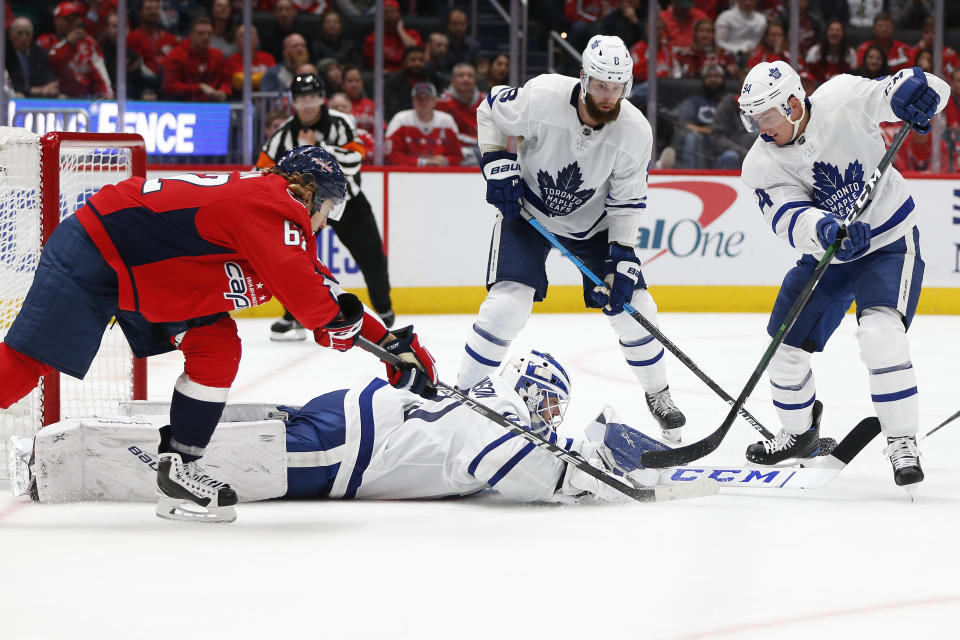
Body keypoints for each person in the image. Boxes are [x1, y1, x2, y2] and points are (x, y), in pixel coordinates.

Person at [0, 145, 438, 522]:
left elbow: (317, 284)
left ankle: (179, 468)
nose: (327, 221)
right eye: (330, 208)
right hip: (98, 252)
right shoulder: (276, 205)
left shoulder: (270, 206)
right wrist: (340, 325)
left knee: (217, 346)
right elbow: (310, 300)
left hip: (149, 268)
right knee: (27, 364)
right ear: (310, 192)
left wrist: (389, 345)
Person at [13, 350, 652, 505]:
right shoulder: (497, 420)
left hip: (350, 409)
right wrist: (591, 468)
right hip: (347, 451)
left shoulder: (482, 399)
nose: (547, 419)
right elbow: (515, 469)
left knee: (214, 430)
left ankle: (79, 435)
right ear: (528, 393)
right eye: (546, 406)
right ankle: (58, 464)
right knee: (221, 460)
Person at [457, 34, 687, 443]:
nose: (608, 95)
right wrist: (495, 162)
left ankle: (659, 393)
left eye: (617, 87)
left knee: (636, 307)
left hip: (593, 226)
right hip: (527, 212)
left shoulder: (635, 131)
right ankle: (461, 399)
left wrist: (623, 255)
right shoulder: (543, 96)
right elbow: (488, 109)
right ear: (583, 78)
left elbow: (628, 200)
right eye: (600, 85)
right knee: (507, 304)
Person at [737, 60, 949, 489]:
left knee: (880, 336)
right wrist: (823, 229)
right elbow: (786, 216)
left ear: (794, 104)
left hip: (889, 243)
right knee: (783, 347)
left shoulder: (842, 96)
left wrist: (919, 91)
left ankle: (902, 441)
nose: (761, 128)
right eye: (753, 119)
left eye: (768, 116)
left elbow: (919, 88)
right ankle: (798, 434)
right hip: (828, 257)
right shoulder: (761, 164)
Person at [258, 74, 396, 334]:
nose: (308, 103)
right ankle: (293, 315)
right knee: (294, 259)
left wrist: (316, 147)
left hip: (347, 202)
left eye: (312, 97)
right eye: (302, 98)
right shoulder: (283, 133)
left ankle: (383, 309)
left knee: (372, 257)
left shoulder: (341, 122)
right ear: (294, 101)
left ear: (322, 98)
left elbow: (355, 159)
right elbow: (262, 169)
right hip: (304, 206)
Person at [37, 1, 113, 99]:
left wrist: (106, 92)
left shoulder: (88, 43)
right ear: (56, 21)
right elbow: (50, 68)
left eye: (75, 19)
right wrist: (67, 44)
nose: (72, 23)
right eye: (67, 19)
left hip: (86, 97)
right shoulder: (45, 41)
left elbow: (100, 71)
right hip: (56, 96)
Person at [385, 82, 462, 167]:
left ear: (435, 101)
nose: (423, 102)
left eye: (427, 98)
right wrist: (423, 163)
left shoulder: (447, 121)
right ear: (413, 101)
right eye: (419, 99)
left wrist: (445, 161)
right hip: (408, 175)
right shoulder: (400, 120)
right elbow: (392, 155)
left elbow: (457, 155)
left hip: (441, 175)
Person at [161, 16, 230, 101]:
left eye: (209, 34)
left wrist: (223, 91)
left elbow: (226, 80)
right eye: (201, 33)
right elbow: (169, 87)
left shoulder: (217, 55)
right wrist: (199, 87)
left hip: (212, 104)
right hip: (184, 104)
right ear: (191, 35)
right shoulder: (176, 56)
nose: (206, 37)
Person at [671, 64, 726, 168]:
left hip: (721, 143)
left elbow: (733, 129)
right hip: (699, 141)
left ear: (723, 80)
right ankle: (690, 177)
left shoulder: (728, 103)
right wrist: (705, 131)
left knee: (731, 154)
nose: (713, 79)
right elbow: (684, 125)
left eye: (717, 76)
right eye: (709, 76)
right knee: (692, 138)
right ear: (703, 80)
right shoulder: (693, 101)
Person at [436, 61, 485, 165]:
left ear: (475, 80)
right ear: (453, 81)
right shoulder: (441, 103)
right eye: (461, 76)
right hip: (454, 152)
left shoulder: (487, 102)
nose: (466, 79)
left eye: (469, 76)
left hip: (482, 150)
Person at [361, 0, 422, 72]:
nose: (389, 15)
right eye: (385, 12)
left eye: (393, 11)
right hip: (387, 77)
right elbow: (373, 67)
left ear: (399, 13)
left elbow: (417, 52)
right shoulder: (372, 39)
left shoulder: (412, 34)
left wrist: (400, 30)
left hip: (410, 74)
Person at [5, 17, 59, 98]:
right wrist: (34, 90)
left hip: (37, 99)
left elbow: (49, 78)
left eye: (28, 34)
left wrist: (51, 86)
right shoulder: (4, 54)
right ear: (10, 35)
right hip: (13, 97)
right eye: (19, 33)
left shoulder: (40, 53)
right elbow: (7, 85)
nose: (24, 37)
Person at [126, 0, 179, 78]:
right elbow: (137, 68)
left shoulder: (170, 37)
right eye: (149, 8)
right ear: (140, 12)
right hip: (146, 83)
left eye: (156, 8)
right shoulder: (133, 38)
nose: (153, 11)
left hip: (171, 81)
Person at [224, 24, 276, 95]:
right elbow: (242, 83)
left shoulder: (268, 57)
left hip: (266, 99)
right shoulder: (232, 60)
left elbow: (274, 80)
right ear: (237, 41)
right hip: (241, 101)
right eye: (241, 36)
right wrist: (265, 76)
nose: (246, 38)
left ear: (257, 39)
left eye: (250, 34)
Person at [804, 19, 857, 85]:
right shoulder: (815, 51)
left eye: (838, 30)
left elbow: (853, 79)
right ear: (826, 33)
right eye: (831, 30)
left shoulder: (850, 53)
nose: (834, 33)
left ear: (843, 34)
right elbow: (808, 78)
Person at [714, 0, 767, 66]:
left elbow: (761, 41)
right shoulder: (725, 17)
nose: (748, 3)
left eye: (751, 0)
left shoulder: (761, 19)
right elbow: (719, 42)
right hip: (731, 56)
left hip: (756, 56)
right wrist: (739, 50)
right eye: (743, 0)